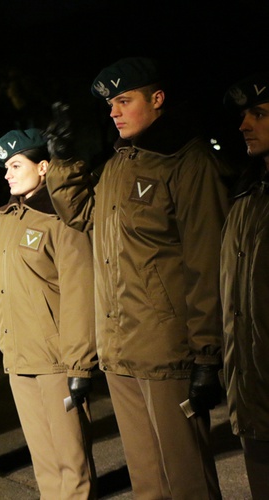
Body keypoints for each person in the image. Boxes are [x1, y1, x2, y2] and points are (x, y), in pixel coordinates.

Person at [45, 56, 229, 498]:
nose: (114, 111)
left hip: (167, 350)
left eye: (124, 100)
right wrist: (64, 160)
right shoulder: (119, 163)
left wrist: (207, 353)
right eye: (111, 103)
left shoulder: (188, 161)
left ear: (158, 99)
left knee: (186, 478)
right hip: (121, 346)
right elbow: (82, 215)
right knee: (146, 478)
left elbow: (207, 263)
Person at [0, 129, 98, 499]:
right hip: (18, 355)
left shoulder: (61, 220)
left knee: (71, 456)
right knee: (43, 455)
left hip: (57, 359)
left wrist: (80, 365)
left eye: (16, 165)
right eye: (6, 168)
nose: (7, 174)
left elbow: (80, 295)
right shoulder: (8, 219)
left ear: (43, 167)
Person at [221, 71, 269, 498]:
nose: (244, 124)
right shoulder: (247, 192)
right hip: (253, 394)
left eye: (260, 113)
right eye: (243, 114)